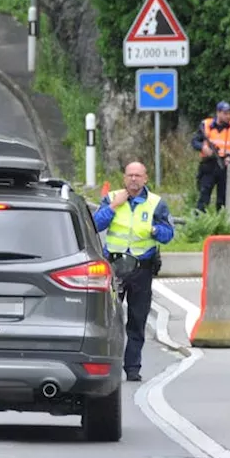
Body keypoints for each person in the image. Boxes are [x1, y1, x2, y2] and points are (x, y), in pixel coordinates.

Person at [92, 161, 175, 382]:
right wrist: (113, 207)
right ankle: (108, 365)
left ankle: (132, 367)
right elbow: (94, 225)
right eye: (130, 175)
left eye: (138, 175)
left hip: (141, 268)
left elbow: (168, 234)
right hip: (115, 267)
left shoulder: (156, 203)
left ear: (145, 178)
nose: (133, 179)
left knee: (137, 320)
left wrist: (155, 230)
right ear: (124, 178)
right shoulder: (112, 198)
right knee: (109, 319)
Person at [189, 100, 230, 213]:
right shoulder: (206, 125)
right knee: (204, 196)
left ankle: (221, 224)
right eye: (225, 113)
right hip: (208, 164)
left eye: (229, 113)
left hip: (224, 165)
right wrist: (203, 148)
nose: (228, 116)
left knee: (222, 199)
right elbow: (194, 141)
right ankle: (200, 222)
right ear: (218, 113)